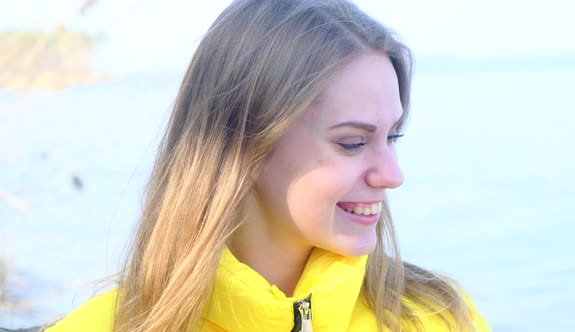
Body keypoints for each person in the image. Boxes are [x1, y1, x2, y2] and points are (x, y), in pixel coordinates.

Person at [46, 0, 491, 331]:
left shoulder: (442, 317)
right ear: (244, 144)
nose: (392, 175)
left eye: (392, 136)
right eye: (353, 142)